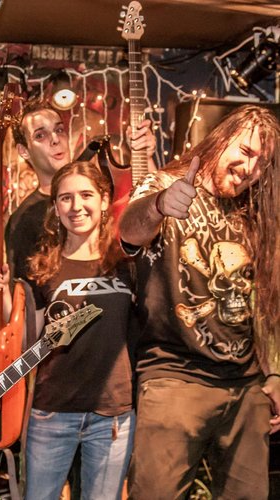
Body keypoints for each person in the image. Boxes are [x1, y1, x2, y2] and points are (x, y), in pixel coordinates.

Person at [118, 104, 280, 499]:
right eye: (245, 152)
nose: (249, 168)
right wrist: (160, 204)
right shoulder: (165, 184)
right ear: (221, 140)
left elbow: (266, 301)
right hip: (176, 376)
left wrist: (274, 373)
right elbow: (129, 232)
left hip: (246, 386)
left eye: (262, 163)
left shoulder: (254, 211)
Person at [0, 161, 137, 499]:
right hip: (52, 412)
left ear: (103, 200)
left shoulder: (127, 263)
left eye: (86, 195)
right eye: (65, 198)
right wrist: (2, 298)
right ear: (55, 207)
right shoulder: (43, 267)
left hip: (113, 414)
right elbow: (27, 338)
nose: (76, 206)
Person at [6, 98, 157, 282]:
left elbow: (151, 217)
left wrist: (146, 157)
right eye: (40, 135)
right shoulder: (24, 220)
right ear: (24, 151)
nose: (55, 139)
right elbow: (24, 291)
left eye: (59, 130)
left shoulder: (100, 187)